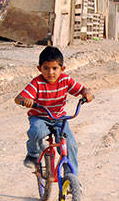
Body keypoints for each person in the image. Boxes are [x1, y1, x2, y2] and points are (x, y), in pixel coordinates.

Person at [14, 46, 93, 174]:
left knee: (70, 144)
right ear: (39, 69)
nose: (50, 72)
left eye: (55, 68)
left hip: (58, 118)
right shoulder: (37, 83)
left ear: (62, 69)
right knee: (37, 132)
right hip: (40, 117)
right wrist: (25, 100)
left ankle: (71, 177)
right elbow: (18, 98)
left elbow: (82, 89)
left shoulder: (65, 80)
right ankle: (33, 154)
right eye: (46, 68)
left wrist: (87, 94)